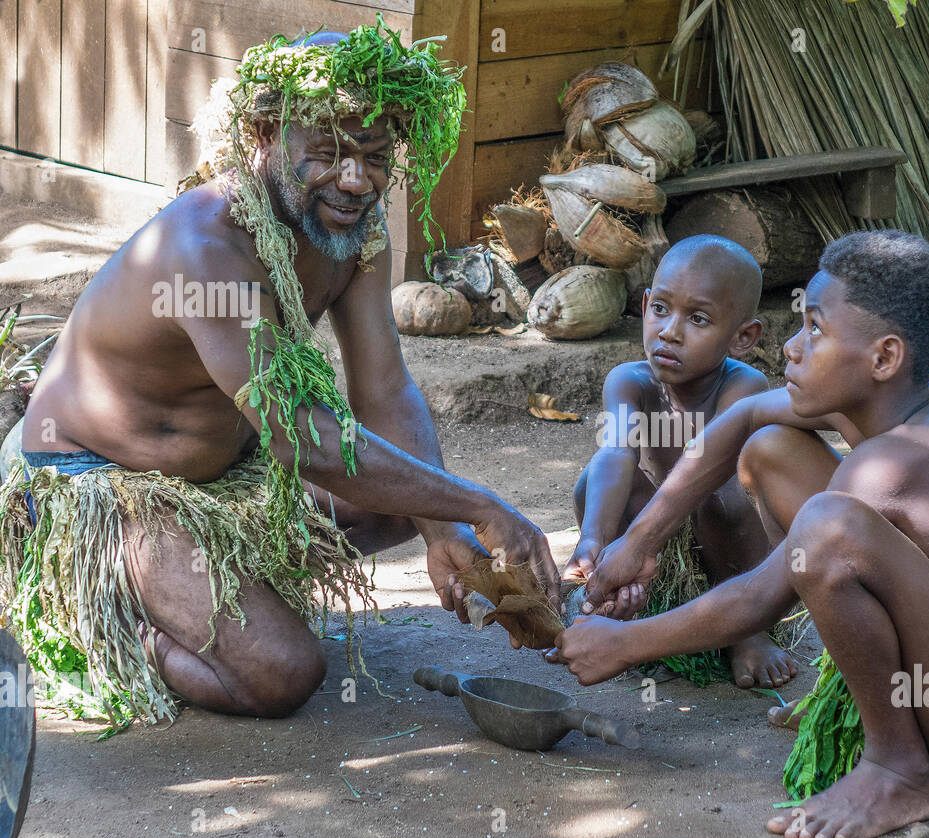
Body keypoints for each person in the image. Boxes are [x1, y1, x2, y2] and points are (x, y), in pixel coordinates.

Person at [0, 24, 558, 726]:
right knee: (282, 673)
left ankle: (208, 588)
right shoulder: (207, 250)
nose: (355, 181)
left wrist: (444, 531)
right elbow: (302, 439)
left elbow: (384, 392)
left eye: (375, 158)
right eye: (326, 154)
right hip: (96, 485)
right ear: (264, 133)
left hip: (217, 480)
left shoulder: (351, 230)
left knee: (410, 497)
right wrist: (479, 506)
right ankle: (96, 616)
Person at [555, 230, 929, 838]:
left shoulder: (897, 463)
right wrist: (642, 540)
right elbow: (744, 417)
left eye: (815, 331)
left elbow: (762, 596)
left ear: (883, 358)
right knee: (769, 446)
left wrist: (623, 644)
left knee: (828, 530)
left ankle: (899, 770)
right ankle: (872, 701)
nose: (791, 348)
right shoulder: (905, 399)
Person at [561, 235, 796, 688]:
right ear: (645, 304)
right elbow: (615, 452)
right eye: (662, 309)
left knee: (724, 497)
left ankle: (745, 629)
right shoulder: (629, 381)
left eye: (699, 318)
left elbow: (707, 468)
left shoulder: (742, 386)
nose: (670, 331)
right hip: (655, 555)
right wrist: (592, 539)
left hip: (728, 548)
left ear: (743, 337)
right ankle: (612, 588)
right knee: (593, 478)